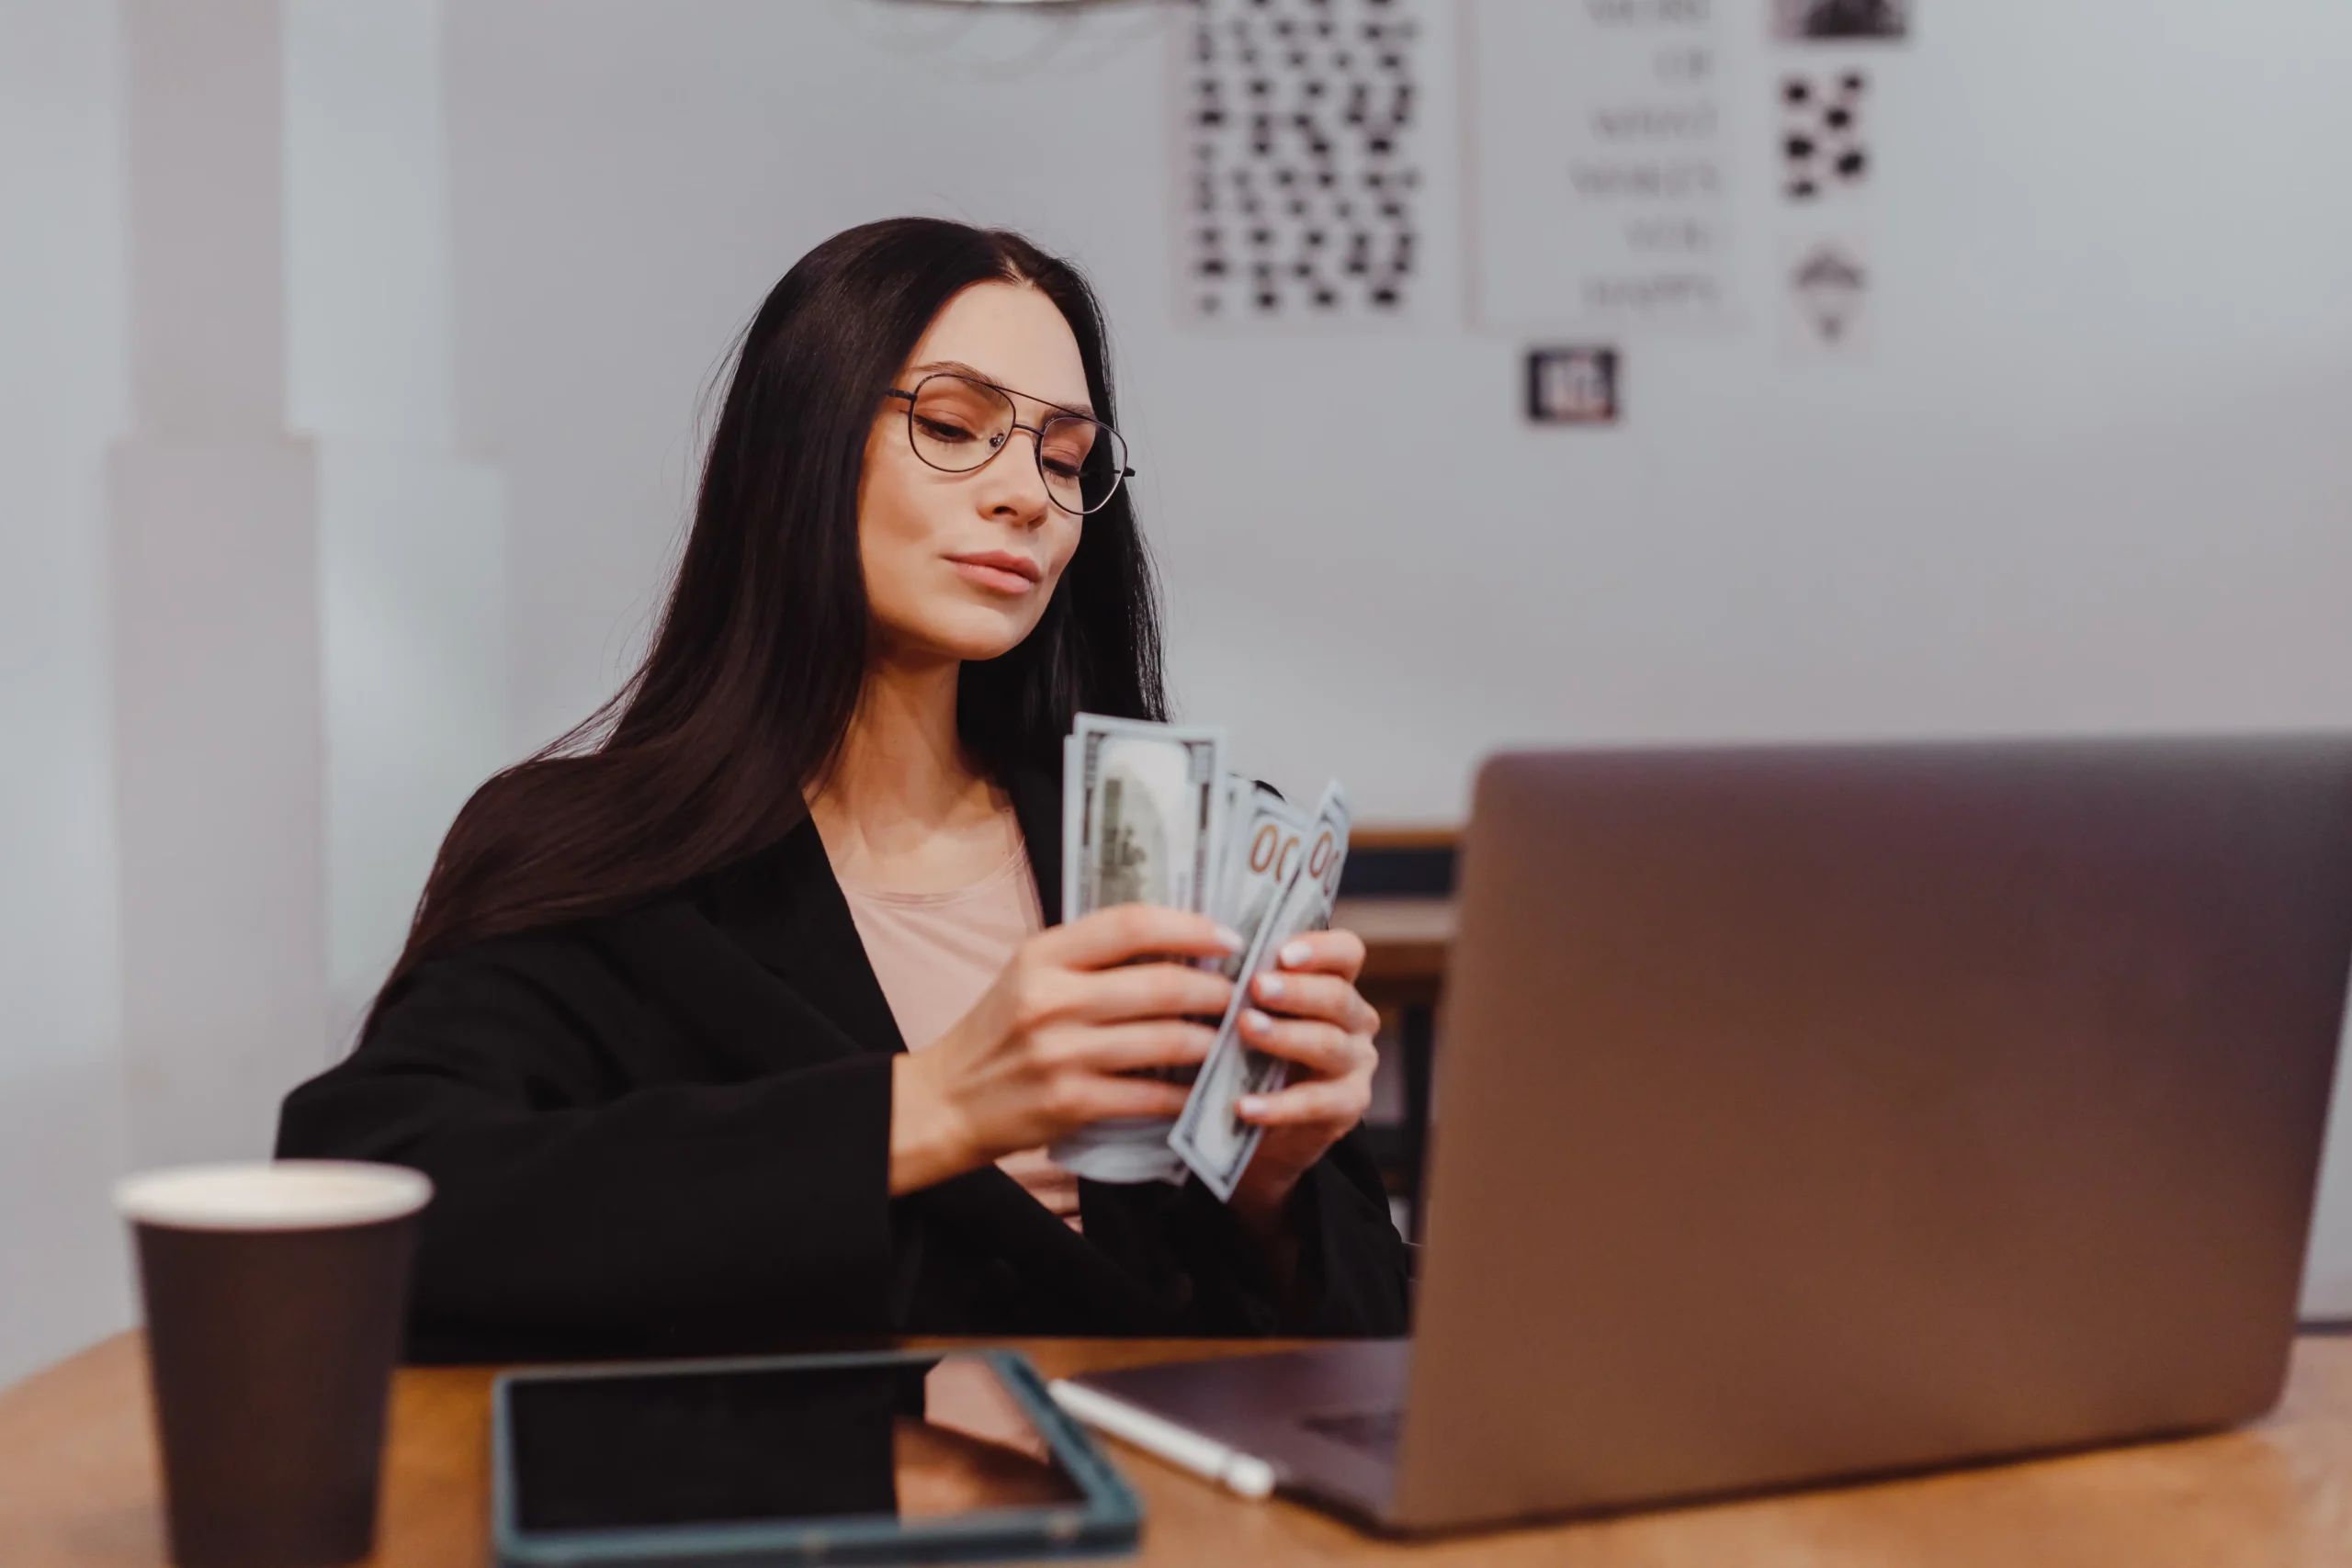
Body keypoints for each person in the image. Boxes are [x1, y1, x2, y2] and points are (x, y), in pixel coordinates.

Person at [276, 217, 1413, 1361]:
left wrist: (1273, 1186)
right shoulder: (593, 859)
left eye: (1065, 460)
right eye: (953, 427)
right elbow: (368, 1206)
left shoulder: (1174, 844)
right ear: (801, 445)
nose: (1026, 495)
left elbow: (1369, 1340)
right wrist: (937, 1105)